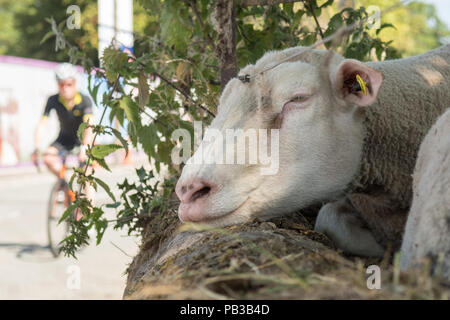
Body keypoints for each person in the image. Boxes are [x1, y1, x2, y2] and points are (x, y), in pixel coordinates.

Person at [32, 63, 94, 182]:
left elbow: (89, 125)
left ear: (75, 83)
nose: (65, 88)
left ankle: (88, 200)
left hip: (83, 140)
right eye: (61, 84)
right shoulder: (53, 100)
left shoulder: (85, 100)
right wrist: (36, 147)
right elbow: (42, 124)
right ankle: (65, 184)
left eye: (69, 84)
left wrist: (85, 146)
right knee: (48, 157)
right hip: (64, 138)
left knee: (87, 174)